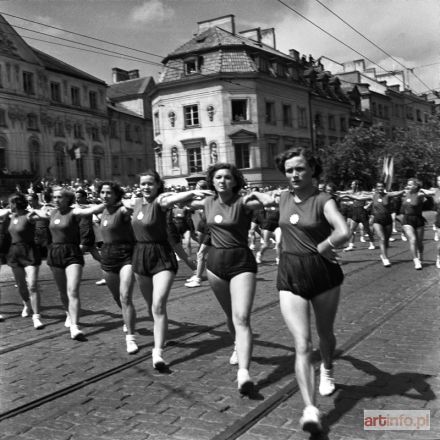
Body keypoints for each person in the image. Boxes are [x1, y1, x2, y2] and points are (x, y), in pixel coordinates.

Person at [249, 148, 350, 433]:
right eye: (289, 170)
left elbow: (343, 232)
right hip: (291, 274)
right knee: (302, 344)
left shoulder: (323, 200)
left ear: (312, 170)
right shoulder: (282, 197)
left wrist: (324, 247)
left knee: (325, 333)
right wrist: (246, 196)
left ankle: (327, 369)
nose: (294, 174)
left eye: (300, 169)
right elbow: (264, 198)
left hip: (323, 274)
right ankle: (310, 408)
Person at [189, 163, 265, 395]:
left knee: (241, 317)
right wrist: (192, 192)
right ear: (212, 181)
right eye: (218, 177)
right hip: (215, 266)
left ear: (235, 181)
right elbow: (169, 202)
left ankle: (244, 373)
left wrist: (257, 193)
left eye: (228, 177)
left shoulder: (244, 202)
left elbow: (273, 201)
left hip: (241, 263)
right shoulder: (206, 203)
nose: (222, 181)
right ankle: (236, 345)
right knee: (230, 315)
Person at [129, 170, 210, 370]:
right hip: (140, 255)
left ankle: (157, 352)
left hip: (161, 256)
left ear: (157, 185)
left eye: (150, 184)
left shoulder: (162, 201)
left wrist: (193, 193)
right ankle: (160, 333)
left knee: (158, 305)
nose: (146, 187)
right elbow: (113, 204)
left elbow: (174, 198)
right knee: (150, 306)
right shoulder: (134, 202)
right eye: (143, 184)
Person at [33, 187, 104, 340]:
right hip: (55, 253)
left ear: (68, 199)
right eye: (55, 197)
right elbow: (38, 214)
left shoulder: (75, 212)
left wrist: (108, 203)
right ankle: (68, 313)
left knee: (72, 290)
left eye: (60, 197)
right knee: (62, 291)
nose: (56, 200)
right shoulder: (51, 212)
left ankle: (75, 326)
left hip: (72, 253)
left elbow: (89, 212)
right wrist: (29, 209)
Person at [96, 181, 139, 354]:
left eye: (108, 193)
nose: (105, 196)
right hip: (107, 255)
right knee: (116, 296)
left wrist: (128, 204)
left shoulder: (122, 210)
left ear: (116, 194)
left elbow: (130, 208)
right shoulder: (101, 210)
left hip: (127, 254)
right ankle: (127, 317)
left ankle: (130, 337)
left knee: (125, 296)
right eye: (102, 193)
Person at [0, 193, 45, 329]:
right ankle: (26, 304)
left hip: (29, 251)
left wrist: (34, 210)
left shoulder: (29, 216)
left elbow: (45, 216)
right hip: (15, 252)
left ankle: (36, 317)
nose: (9, 205)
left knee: (32, 284)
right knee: (21, 285)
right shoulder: (10, 215)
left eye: (11, 203)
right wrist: (8, 210)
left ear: (17, 203)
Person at [400, 178, 427, 270]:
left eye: (410, 185)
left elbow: (429, 194)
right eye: (408, 184)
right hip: (407, 219)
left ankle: (421, 255)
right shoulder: (404, 194)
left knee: (419, 242)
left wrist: (422, 190)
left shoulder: (420, 195)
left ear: (415, 186)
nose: (408, 186)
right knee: (413, 239)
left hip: (418, 219)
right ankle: (416, 260)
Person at [342, 180, 375, 251]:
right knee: (351, 229)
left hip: (362, 212)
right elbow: (344, 192)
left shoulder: (363, 192)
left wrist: (368, 205)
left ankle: (372, 244)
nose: (351, 185)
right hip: (355, 212)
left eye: (352, 184)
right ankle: (351, 245)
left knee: (367, 229)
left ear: (356, 185)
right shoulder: (352, 192)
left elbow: (373, 196)